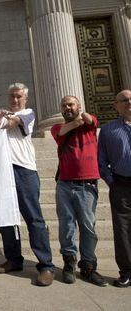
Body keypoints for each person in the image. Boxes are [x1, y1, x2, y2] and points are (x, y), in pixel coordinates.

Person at [0, 83, 55, 286]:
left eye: (18, 96)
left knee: (33, 218)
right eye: (12, 96)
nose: (15, 100)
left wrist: (4, 118)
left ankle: (45, 265)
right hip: (2, 172)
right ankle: (14, 259)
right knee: (6, 220)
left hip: (23, 171)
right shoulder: (2, 117)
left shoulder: (29, 113)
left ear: (25, 98)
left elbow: (14, 123)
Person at [51, 96, 107, 286]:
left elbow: (90, 120)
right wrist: (76, 120)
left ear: (79, 106)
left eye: (71, 104)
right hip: (65, 184)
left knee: (88, 228)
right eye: (64, 106)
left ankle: (89, 266)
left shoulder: (89, 124)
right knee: (66, 226)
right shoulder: (57, 128)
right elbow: (63, 131)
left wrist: (82, 115)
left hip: (87, 185)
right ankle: (69, 263)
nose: (67, 108)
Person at [98, 90, 131, 287]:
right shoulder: (108, 130)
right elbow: (102, 162)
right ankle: (127, 270)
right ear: (116, 105)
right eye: (124, 100)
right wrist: (112, 181)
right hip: (121, 184)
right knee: (123, 229)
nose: (129, 103)